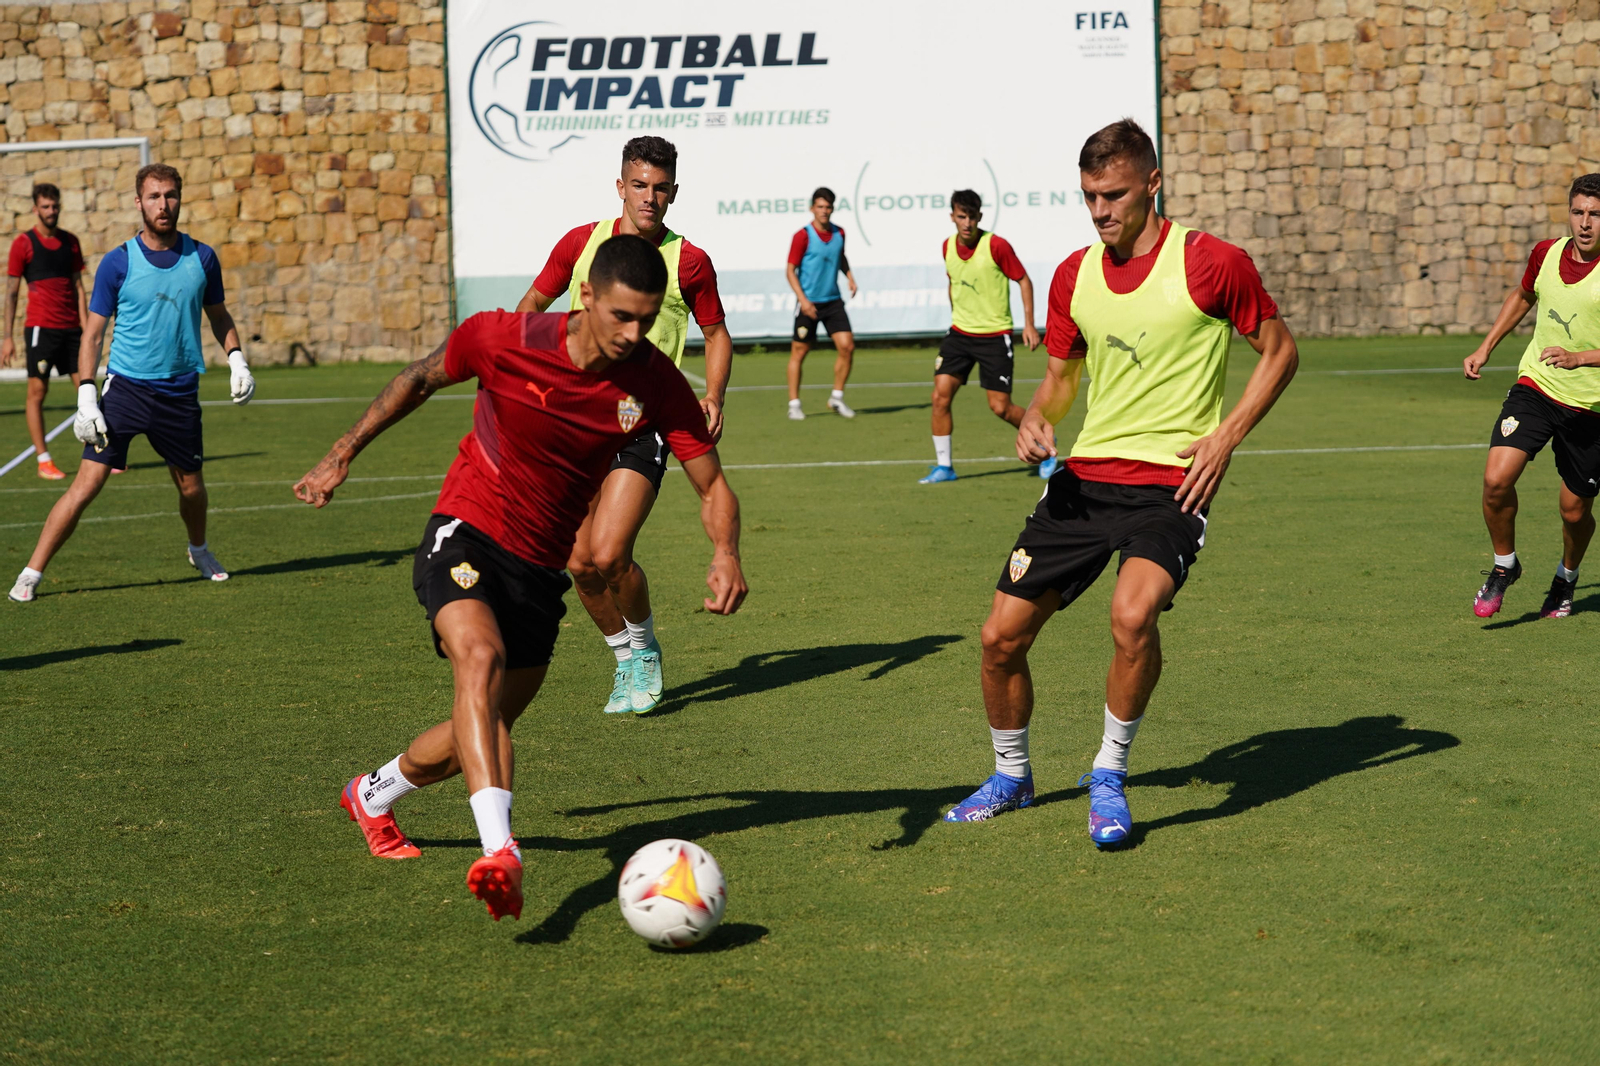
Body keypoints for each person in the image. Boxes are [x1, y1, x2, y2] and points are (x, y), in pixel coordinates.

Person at [296, 234, 748, 922]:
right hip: (467, 531)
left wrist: (725, 552)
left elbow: (711, 484)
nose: (634, 334)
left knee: (477, 731)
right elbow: (418, 378)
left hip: (539, 573)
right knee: (479, 659)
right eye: (621, 316)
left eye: (648, 319)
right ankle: (499, 853)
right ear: (587, 297)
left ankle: (371, 794)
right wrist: (340, 453)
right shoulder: (501, 339)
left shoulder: (653, 383)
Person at [943, 119, 1298, 849]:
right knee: (998, 638)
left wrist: (1226, 436)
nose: (1100, 211)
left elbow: (1279, 351)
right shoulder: (1075, 274)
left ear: (1153, 184)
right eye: (1088, 197)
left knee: (1133, 617)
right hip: (1083, 482)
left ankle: (1108, 771)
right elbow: (1063, 380)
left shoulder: (1210, 262)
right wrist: (1038, 417)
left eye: (1113, 195)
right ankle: (1011, 775)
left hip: (1170, 485)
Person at [514, 136, 731, 715]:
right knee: (579, 562)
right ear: (620, 187)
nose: (650, 198)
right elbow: (530, 306)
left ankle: (647, 646)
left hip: (644, 421)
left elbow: (715, 334)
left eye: (661, 188)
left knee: (610, 553)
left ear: (674, 192)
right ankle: (624, 658)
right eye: (639, 185)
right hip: (574, 421)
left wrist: (712, 394)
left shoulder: (689, 261)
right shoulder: (581, 243)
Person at [8, 164, 254, 605]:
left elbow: (219, 315)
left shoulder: (203, 257)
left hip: (180, 392)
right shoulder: (118, 261)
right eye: (155, 196)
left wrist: (237, 361)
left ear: (180, 199)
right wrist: (87, 394)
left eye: (171, 195)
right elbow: (94, 333)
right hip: (126, 391)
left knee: (192, 487)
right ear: (139, 203)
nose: (164, 204)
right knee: (86, 484)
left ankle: (198, 550)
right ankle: (32, 570)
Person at [1464, 173, 1600, 620]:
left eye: (1595, 214)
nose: (1585, 223)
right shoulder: (1546, 253)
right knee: (1496, 480)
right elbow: (1523, 296)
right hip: (1537, 387)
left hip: (1591, 408)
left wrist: (1581, 358)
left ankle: (1566, 577)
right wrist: (1486, 346)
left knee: (1574, 512)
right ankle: (1505, 566)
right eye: (1578, 212)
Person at [920, 189, 1042, 484]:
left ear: (980, 217)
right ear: (952, 216)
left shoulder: (996, 245)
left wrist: (1028, 324)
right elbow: (953, 283)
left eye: (972, 217)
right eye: (961, 216)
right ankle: (944, 466)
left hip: (994, 336)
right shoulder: (946, 247)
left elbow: (1023, 280)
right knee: (940, 397)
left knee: (1000, 407)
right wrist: (955, 317)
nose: (967, 223)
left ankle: (1043, 444)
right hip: (959, 335)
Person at [3, 182, 87, 480]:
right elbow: (11, 293)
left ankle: (101, 453)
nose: (51, 211)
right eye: (45, 206)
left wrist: (88, 328)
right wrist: (7, 337)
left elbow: (78, 287)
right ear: (35, 208)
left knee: (87, 389)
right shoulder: (23, 244)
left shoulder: (71, 242)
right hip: (41, 329)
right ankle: (43, 459)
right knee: (37, 392)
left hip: (73, 331)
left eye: (55, 206)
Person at [785, 187, 858, 420]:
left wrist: (850, 277)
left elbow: (840, 256)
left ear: (833, 209)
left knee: (847, 347)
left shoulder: (840, 233)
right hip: (809, 304)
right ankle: (794, 404)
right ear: (812, 208)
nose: (824, 211)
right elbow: (790, 271)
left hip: (833, 301)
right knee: (799, 352)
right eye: (820, 207)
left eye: (828, 207)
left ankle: (837, 398)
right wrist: (803, 300)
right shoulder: (803, 236)